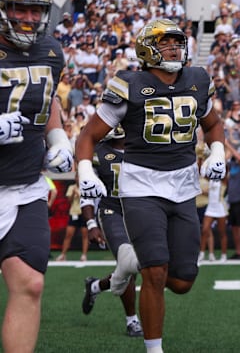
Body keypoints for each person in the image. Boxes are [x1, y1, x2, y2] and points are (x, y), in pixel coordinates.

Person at [75, 18, 226, 353]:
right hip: (141, 186)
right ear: (147, 49)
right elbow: (89, 135)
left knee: (183, 280)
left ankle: (135, 265)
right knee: (155, 272)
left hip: (184, 186)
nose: (173, 48)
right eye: (164, 43)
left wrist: (217, 149)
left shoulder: (198, 79)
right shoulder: (128, 83)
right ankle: (154, 348)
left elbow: (213, 124)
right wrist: (85, 168)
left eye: (176, 42)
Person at [0, 0, 73, 353]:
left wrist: (58, 138)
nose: (29, 19)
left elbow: (49, 102)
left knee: (30, 284)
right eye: (19, 9)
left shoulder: (50, 50)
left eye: (35, 10)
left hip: (25, 186)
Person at [80, 127, 144, 337]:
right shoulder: (97, 152)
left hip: (142, 211)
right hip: (112, 211)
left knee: (147, 265)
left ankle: (96, 286)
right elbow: (87, 192)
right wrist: (91, 224)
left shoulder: (144, 147)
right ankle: (132, 321)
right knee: (128, 262)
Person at [55, 182, 89, 261]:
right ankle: (63, 255)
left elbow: (88, 200)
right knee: (68, 234)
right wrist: (74, 193)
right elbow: (69, 201)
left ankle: (84, 255)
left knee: (85, 235)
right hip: (74, 213)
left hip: (84, 213)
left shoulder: (86, 187)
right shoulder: (72, 187)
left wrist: (79, 194)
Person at [200, 176, 229, 262]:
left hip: (220, 207)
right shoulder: (209, 179)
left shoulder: (223, 180)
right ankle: (202, 254)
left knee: (222, 232)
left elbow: (226, 172)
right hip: (210, 207)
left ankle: (224, 255)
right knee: (205, 230)